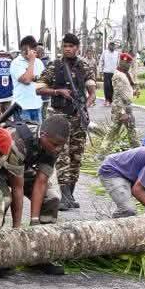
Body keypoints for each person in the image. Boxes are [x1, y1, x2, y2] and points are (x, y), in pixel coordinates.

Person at [0, 114, 69, 276]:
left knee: (52, 198)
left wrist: (34, 222)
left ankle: (39, 255)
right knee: (3, 199)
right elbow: (17, 187)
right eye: (55, 145)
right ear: (43, 136)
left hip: (22, 168)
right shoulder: (19, 140)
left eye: (61, 146)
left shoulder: (53, 143)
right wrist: (18, 230)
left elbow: (41, 181)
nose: (58, 149)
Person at [37, 33, 97, 211]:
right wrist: (58, 92)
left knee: (76, 157)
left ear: (77, 48)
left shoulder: (83, 65)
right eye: (65, 46)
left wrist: (90, 98)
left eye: (71, 46)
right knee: (62, 156)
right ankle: (64, 196)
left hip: (78, 117)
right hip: (59, 117)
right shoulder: (54, 66)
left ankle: (70, 194)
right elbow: (38, 89)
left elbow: (91, 86)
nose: (68, 49)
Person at [104, 52, 140, 150]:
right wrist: (123, 112)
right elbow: (119, 95)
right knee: (114, 130)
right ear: (121, 62)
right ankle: (102, 153)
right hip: (120, 107)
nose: (128, 65)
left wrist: (134, 91)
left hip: (127, 106)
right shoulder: (118, 75)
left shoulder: (126, 74)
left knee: (131, 129)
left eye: (128, 63)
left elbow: (127, 90)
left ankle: (137, 149)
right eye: (126, 63)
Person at [7, 36, 45, 122]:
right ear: (23, 50)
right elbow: (27, 80)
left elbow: (42, 83)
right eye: (31, 49)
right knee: (23, 135)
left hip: (37, 106)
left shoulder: (39, 62)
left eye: (34, 48)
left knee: (38, 134)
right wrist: (31, 61)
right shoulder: (16, 63)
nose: (34, 51)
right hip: (22, 107)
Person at [98, 40, 121, 105]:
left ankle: (112, 100)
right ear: (108, 46)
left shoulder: (117, 53)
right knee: (107, 87)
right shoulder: (105, 52)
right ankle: (107, 100)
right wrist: (100, 70)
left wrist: (119, 71)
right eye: (111, 45)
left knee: (113, 86)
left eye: (113, 45)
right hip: (106, 72)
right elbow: (101, 61)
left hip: (114, 72)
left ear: (114, 46)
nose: (112, 46)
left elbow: (118, 63)